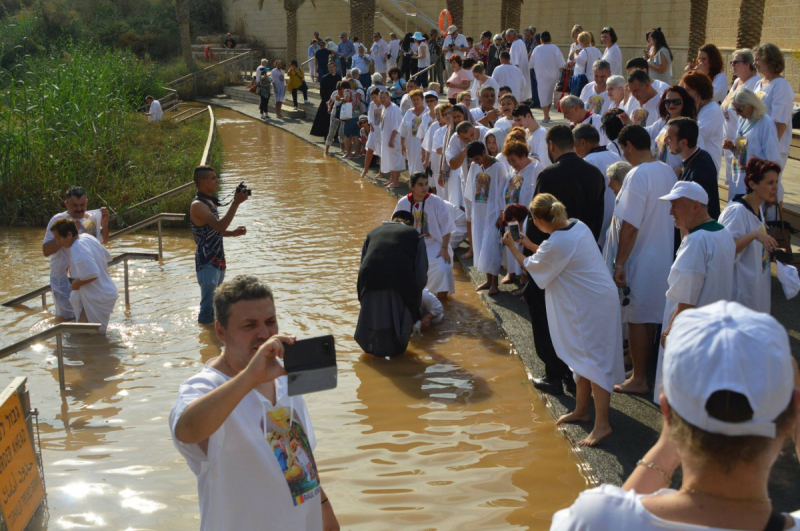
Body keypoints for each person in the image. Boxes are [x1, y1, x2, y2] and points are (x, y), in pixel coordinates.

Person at [551, 301, 800, 531]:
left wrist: (676, 428)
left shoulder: (592, 519)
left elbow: (618, 514)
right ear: (793, 414)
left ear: (667, 412)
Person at [170, 276, 340, 531]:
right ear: (220, 331)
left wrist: (325, 511)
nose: (265, 334)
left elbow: (298, 460)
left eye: (270, 322)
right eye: (249, 325)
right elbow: (186, 430)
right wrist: (251, 376)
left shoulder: (284, 378)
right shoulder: (205, 387)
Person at [505, 194, 624, 446]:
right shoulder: (577, 225)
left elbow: (534, 266)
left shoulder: (556, 243)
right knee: (583, 357)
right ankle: (582, 410)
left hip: (591, 305)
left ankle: (602, 425)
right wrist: (530, 244)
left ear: (538, 219)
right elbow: (553, 257)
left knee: (595, 361)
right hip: (594, 300)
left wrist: (514, 248)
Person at [525, 126, 606, 395]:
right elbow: (598, 217)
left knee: (546, 312)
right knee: (575, 319)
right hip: (583, 253)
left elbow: (538, 219)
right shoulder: (594, 173)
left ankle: (554, 372)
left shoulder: (549, 174)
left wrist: (532, 253)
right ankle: (576, 377)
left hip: (553, 252)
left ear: (551, 147)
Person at [653, 181, 735, 402]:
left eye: (676, 206)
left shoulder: (697, 241)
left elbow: (686, 297)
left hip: (691, 330)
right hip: (714, 326)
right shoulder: (723, 232)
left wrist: (670, 330)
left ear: (696, 206)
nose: (671, 212)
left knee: (683, 395)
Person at [611, 125, 676, 395]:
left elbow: (630, 225)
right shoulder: (666, 169)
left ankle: (639, 378)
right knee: (648, 317)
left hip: (641, 255)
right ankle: (640, 370)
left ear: (627, 145)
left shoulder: (638, 174)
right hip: (662, 252)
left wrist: (619, 263)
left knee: (638, 318)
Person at [355, 210, 428, 357]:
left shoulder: (372, 233)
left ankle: (375, 358)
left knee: (374, 318)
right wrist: (414, 300)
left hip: (369, 279)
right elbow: (421, 273)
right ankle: (397, 361)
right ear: (410, 224)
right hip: (399, 281)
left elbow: (363, 264)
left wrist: (361, 294)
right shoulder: (415, 236)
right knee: (398, 327)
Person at [719, 158, 781, 313]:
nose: (775, 188)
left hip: (757, 296)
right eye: (770, 183)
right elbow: (724, 252)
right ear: (752, 184)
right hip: (741, 301)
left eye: (776, 182)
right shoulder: (737, 212)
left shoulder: (758, 209)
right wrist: (754, 235)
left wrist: (772, 253)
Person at [189, 165, 248, 324]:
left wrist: (232, 233)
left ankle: (212, 342)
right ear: (203, 182)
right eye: (213, 178)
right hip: (207, 261)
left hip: (218, 260)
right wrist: (235, 203)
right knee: (207, 310)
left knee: (215, 307)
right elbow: (220, 226)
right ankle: (206, 344)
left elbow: (214, 230)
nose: (217, 181)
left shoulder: (209, 202)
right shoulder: (198, 205)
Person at [43, 187, 109, 320]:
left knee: (85, 317)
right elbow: (45, 251)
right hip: (62, 277)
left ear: (87, 202)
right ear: (66, 204)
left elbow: (103, 240)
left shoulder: (90, 219)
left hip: (84, 277)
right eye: (75, 206)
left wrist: (104, 222)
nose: (79, 209)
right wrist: (68, 234)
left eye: (82, 205)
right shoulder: (59, 220)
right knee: (66, 318)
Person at [393, 172, 456, 301]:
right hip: (412, 247)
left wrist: (444, 248)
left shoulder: (436, 201)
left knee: (443, 268)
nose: (424, 188)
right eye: (420, 185)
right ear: (412, 186)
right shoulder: (403, 203)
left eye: (426, 184)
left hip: (436, 244)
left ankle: (441, 303)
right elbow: (395, 228)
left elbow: (447, 227)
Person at [49, 219, 118, 334]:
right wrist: (74, 266)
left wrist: (76, 283)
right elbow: (107, 256)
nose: (57, 242)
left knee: (96, 336)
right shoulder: (87, 237)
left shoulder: (77, 247)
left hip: (97, 297)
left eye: (58, 237)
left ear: (69, 234)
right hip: (103, 291)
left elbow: (93, 273)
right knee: (82, 332)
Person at [722, 87, 782, 201]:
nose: (738, 114)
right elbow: (743, 154)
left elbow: (772, 157)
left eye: (740, 110)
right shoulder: (742, 121)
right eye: (735, 110)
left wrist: (772, 190)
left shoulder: (766, 123)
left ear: (750, 105)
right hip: (739, 179)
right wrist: (732, 148)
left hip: (757, 182)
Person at [465, 141, 508, 295]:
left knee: (492, 248)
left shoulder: (498, 167)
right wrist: (470, 211)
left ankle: (495, 284)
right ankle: (488, 280)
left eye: (477, 159)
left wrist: (502, 213)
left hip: (493, 213)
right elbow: (471, 190)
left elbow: (504, 192)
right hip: (479, 212)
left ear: (484, 152)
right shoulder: (476, 166)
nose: (476, 162)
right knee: (480, 245)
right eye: (473, 160)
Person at [753, 42, 793, 200]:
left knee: (771, 187)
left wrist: (769, 148)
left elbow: (780, 121)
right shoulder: (759, 83)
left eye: (757, 59)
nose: (754, 63)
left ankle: (774, 221)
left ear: (769, 60)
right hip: (757, 145)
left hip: (772, 148)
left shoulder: (781, 85)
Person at [573, 123, 621, 247]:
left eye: (575, 145)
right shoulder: (615, 156)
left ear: (583, 143)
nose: (574, 150)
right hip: (617, 218)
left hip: (597, 224)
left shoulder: (587, 162)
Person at [721, 48, 762, 189]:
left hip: (742, 141)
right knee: (732, 182)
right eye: (731, 62)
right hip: (729, 139)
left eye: (736, 62)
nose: (732, 65)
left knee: (741, 183)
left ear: (747, 64)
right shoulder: (737, 81)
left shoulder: (755, 83)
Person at [666, 117, 721, 219]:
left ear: (684, 142)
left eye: (669, 138)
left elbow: (698, 212)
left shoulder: (700, 170)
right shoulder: (700, 157)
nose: (666, 141)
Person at [680, 70, 724, 173]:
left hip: (706, 168)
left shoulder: (712, 110)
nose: (685, 95)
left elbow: (695, 136)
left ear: (699, 91)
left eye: (688, 90)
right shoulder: (701, 108)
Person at [646, 86, 697, 173]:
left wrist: (681, 169)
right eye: (668, 102)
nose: (671, 105)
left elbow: (697, 154)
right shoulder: (663, 122)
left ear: (685, 102)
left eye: (676, 102)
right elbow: (646, 132)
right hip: (659, 174)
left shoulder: (690, 126)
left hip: (676, 177)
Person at [530, 32, 566, 122]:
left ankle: (546, 117)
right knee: (549, 95)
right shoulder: (555, 48)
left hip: (542, 76)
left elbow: (531, 63)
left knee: (543, 96)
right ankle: (547, 114)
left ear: (541, 39)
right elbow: (561, 63)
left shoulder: (537, 49)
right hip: (553, 75)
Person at [379, 90, 404, 189]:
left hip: (394, 139)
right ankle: (392, 179)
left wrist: (391, 140)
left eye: (384, 97)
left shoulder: (394, 109)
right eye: (381, 98)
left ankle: (396, 181)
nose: (382, 100)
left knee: (395, 160)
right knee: (390, 160)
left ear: (389, 97)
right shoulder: (384, 108)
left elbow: (396, 126)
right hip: (386, 138)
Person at [400, 89, 427, 175]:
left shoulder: (427, 112)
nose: (415, 101)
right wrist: (402, 145)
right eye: (413, 99)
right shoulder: (409, 113)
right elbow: (403, 130)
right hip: (411, 145)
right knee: (412, 165)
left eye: (417, 99)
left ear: (422, 100)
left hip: (424, 146)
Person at [310, 62, 341, 137]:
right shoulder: (324, 78)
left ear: (335, 67)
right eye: (330, 67)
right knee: (325, 120)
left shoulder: (339, 77)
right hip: (327, 102)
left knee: (336, 119)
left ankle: (336, 136)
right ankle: (326, 135)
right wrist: (327, 101)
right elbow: (322, 91)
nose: (331, 68)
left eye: (332, 67)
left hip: (336, 101)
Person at [361, 87, 383, 178]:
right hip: (374, 130)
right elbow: (369, 116)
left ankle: (381, 172)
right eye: (372, 97)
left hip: (382, 131)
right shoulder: (372, 104)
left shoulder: (384, 105)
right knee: (369, 150)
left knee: (382, 153)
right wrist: (370, 124)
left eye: (375, 97)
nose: (374, 99)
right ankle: (365, 170)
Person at [571, 32, 602, 96]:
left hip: (585, 79)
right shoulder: (597, 50)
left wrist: (576, 54)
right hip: (594, 78)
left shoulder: (584, 51)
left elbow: (579, 61)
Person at [506, 29, 532, 103]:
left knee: (517, 92)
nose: (507, 39)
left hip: (518, 72)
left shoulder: (515, 44)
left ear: (512, 36)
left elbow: (515, 62)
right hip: (523, 71)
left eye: (508, 37)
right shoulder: (521, 42)